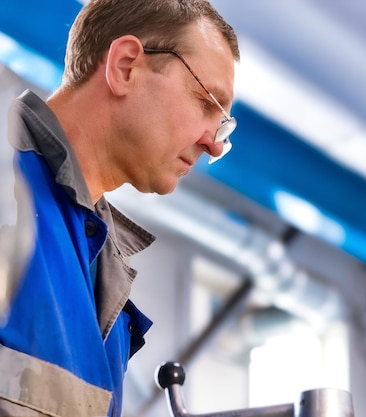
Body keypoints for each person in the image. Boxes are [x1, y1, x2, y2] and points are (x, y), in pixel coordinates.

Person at [0, 0, 239, 415]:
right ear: (125, 66)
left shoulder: (103, 276)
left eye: (222, 126)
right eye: (206, 102)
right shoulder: (7, 183)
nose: (213, 144)